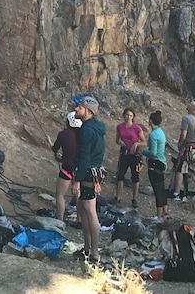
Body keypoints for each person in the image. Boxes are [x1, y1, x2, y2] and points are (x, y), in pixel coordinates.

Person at [72, 96, 106, 265]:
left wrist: (77, 180)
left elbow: (85, 157)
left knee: (89, 210)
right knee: (84, 209)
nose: (75, 110)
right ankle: (88, 249)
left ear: (88, 111)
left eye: (78, 108)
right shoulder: (94, 128)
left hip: (87, 174)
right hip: (93, 171)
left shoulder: (86, 130)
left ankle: (94, 252)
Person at [51, 110, 81, 222]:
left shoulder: (63, 134)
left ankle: (60, 220)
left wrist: (49, 143)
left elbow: (55, 149)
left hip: (67, 167)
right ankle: (80, 219)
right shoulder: (83, 136)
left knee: (60, 195)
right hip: (79, 168)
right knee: (78, 195)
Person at [171, 101, 195, 199]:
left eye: (190, 104)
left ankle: (176, 193)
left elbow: (183, 134)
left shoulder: (186, 118)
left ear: (192, 108)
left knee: (180, 169)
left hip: (187, 147)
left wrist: (180, 143)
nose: (188, 104)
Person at [112, 108, 144, 208]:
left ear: (133, 117)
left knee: (135, 177)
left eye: (130, 115)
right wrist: (121, 143)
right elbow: (117, 139)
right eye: (127, 115)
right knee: (120, 175)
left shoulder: (137, 128)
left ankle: (134, 199)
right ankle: (118, 197)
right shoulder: (120, 127)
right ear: (124, 115)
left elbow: (144, 142)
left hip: (135, 154)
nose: (128, 117)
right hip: (124, 153)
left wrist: (137, 144)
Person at [140, 111, 168, 220]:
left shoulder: (153, 134)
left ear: (150, 121)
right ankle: (165, 212)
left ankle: (159, 215)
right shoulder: (161, 132)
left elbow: (153, 153)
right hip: (161, 162)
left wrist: (143, 152)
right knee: (161, 189)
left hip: (154, 163)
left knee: (157, 190)